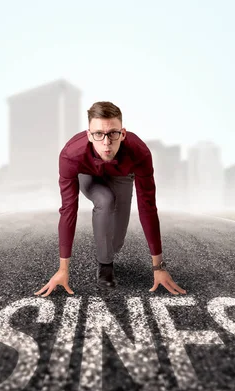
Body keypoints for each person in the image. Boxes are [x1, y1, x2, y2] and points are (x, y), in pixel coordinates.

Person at [35, 101, 186, 297]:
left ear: (123, 134)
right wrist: (63, 269)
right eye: (98, 134)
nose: (106, 143)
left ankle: (108, 250)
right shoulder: (70, 155)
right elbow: (68, 210)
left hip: (122, 174)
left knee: (116, 244)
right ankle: (105, 267)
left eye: (113, 134)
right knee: (105, 199)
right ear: (89, 135)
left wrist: (158, 268)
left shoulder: (139, 152)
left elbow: (148, 207)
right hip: (88, 174)